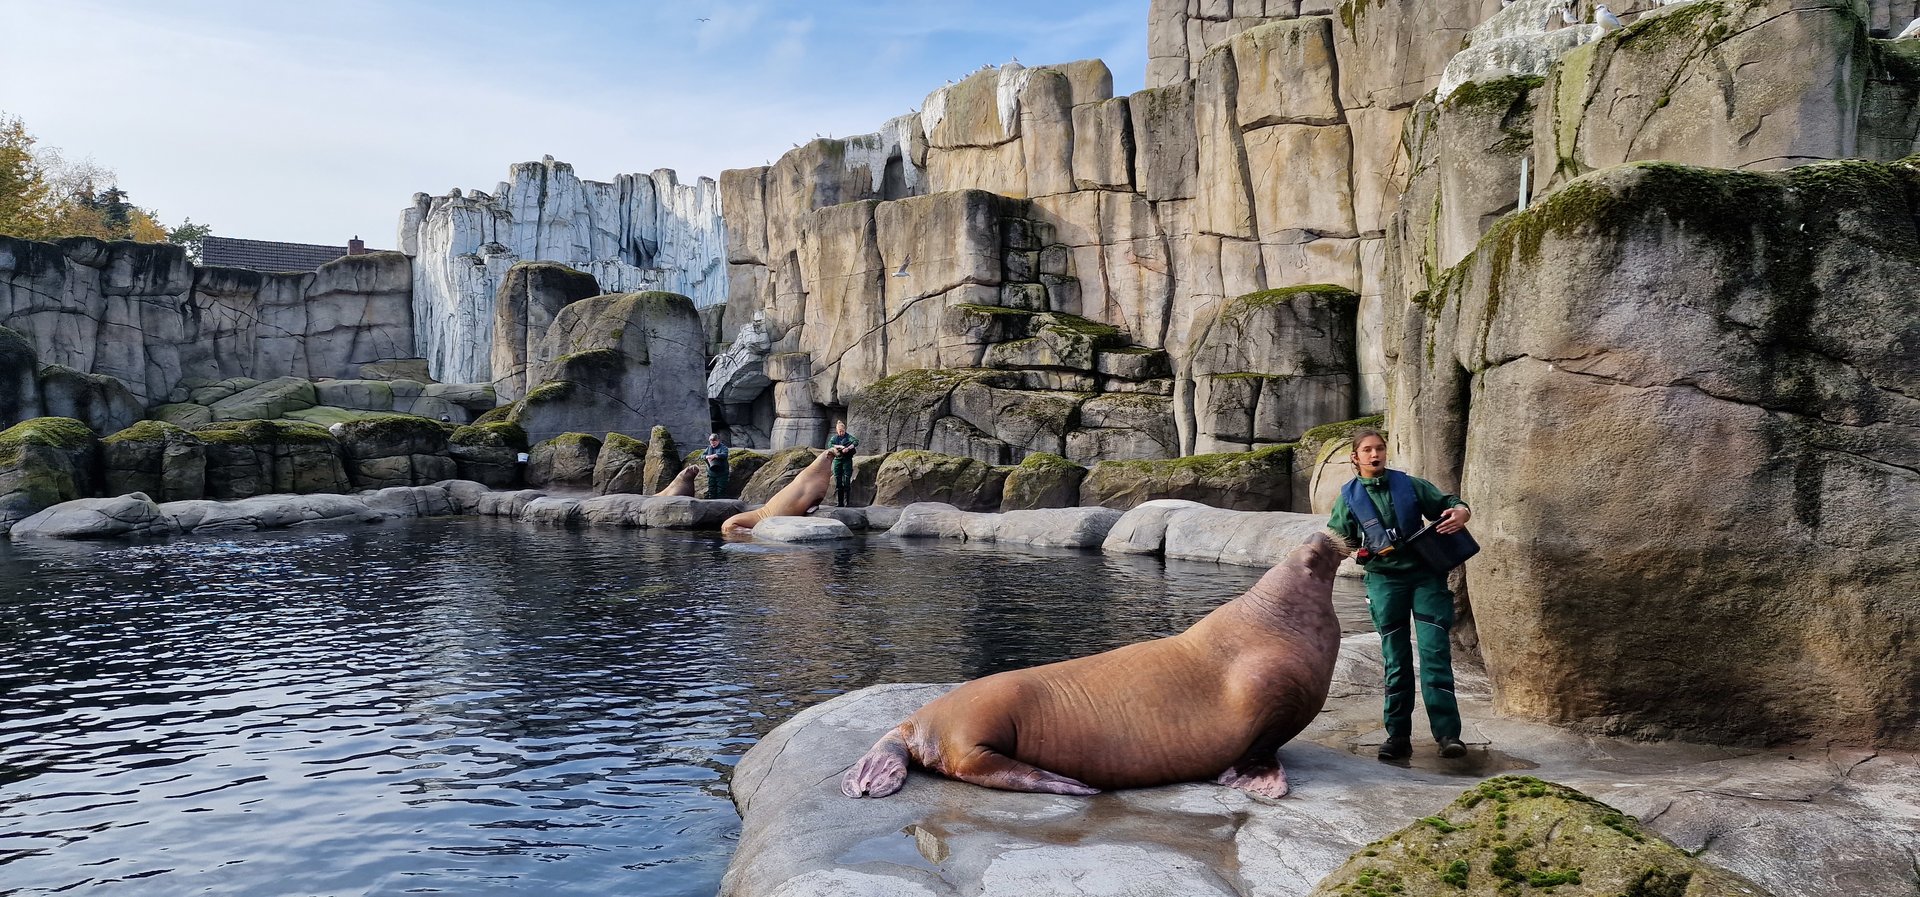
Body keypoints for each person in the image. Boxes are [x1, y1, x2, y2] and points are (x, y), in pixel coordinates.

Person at [1326, 428, 1474, 762]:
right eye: (1367, 450)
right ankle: (1398, 737)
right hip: (1384, 581)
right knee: (1396, 660)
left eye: (1379, 448)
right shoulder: (1348, 497)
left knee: (1435, 654)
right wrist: (1355, 553)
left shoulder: (1410, 484)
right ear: (1356, 457)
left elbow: (1450, 503)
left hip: (1426, 577)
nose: (1375, 454)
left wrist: (1462, 512)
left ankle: (1448, 735)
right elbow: (1339, 539)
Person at [826, 420, 859, 507]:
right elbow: (830, 445)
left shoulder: (848, 437)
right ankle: (840, 503)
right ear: (837, 430)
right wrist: (839, 446)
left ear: (845, 430)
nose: (841, 433)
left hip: (847, 460)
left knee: (846, 481)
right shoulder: (834, 438)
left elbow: (856, 442)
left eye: (843, 431)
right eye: (839, 431)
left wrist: (848, 448)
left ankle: (847, 503)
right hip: (838, 461)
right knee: (838, 482)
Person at [703, 433, 731, 498]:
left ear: (718, 441)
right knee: (711, 489)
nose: (713, 444)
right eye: (711, 442)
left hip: (722, 472)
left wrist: (716, 455)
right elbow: (702, 456)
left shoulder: (723, 447)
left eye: (714, 442)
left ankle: (720, 503)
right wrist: (707, 457)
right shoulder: (709, 448)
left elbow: (725, 454)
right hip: (711, 473)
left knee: (721, 490)